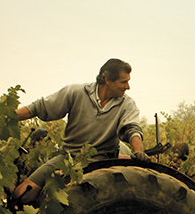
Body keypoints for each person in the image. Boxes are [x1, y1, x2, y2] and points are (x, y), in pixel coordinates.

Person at [13, 59, 147, 204]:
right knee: (22, 194)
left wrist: (138, 151)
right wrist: (7, 118)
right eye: (123, 82)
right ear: (107, 80)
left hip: (101, 162)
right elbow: (39, 107)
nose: (127, 87)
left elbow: (132, 128)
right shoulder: (76, 92)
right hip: (68, 157)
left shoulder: (127, 104)